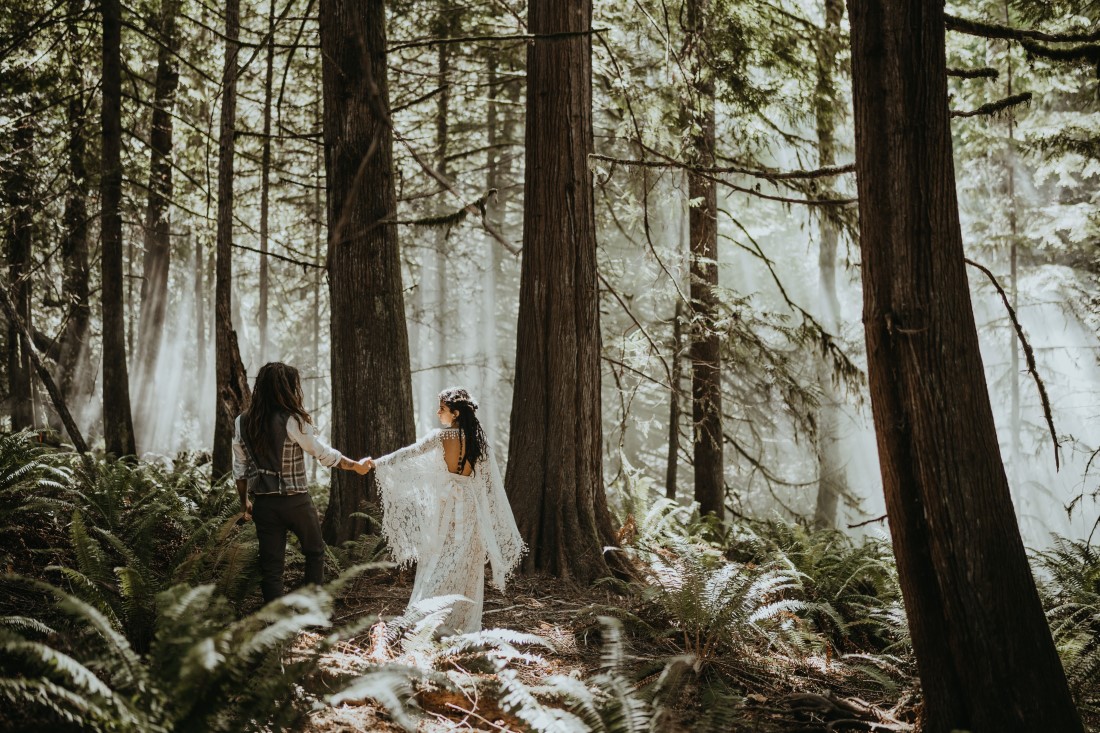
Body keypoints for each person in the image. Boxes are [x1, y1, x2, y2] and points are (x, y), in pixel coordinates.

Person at [366, 387, 524, 634]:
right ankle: (459, 622)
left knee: (440, 559)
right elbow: (488, 483)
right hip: (469, 505)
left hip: (448, 506)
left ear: (456, 413)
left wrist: (376, 463)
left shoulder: (441, 438)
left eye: (442, 408)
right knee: (465, 563)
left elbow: (408, 454)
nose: (438, 412)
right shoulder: (478, 441)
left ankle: (429, 615)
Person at [232, 362, 369, 602]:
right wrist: (353, 465)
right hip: (296, 503)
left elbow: (240, 468)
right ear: (285, 388)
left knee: (271, 565)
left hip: (263, 504)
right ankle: (310, 609)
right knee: (315, 551)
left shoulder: (241, 422)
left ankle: (273, 622)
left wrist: (244, 504)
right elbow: (321, 452)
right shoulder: (293, 420)